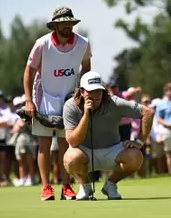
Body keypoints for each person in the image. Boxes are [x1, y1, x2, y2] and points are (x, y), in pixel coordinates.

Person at [23, 6, 91, 201]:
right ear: (55, 25)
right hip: (44, 96)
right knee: (44, 144)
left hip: (70, 98)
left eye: (70, 22)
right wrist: (28, 100)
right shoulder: (42, 43)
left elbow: (86, 69)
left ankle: (67, 186)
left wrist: (83, 93)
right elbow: (29, 71)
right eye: (63, 23)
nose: (67, 25)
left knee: (66, 144)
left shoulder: (83, 43)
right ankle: (46, 187)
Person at [62, 71, 154, 200]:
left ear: (103, 91)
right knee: (71, 158)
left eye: (98, 91)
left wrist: (139, 141)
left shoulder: (114, 102)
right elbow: (73, 142)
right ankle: (85, 186)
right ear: (82, 91)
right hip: (84, 152)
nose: (95, 95)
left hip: (112, 150)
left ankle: (110, 184)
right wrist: (86, 115)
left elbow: (148, 113)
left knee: (136, 156)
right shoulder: (70, 106)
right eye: (90, 91)